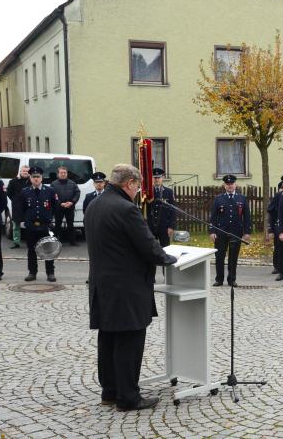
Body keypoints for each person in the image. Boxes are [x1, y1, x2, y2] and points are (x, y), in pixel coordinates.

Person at [86, 163, 178, 412]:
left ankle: (110, 391)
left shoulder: (95, 204)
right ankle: (128, 397)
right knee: (129, 340)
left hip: (102, 285)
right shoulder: (126, 209)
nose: (139, 191)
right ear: (129, 184)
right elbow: (149, 246)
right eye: (137, 186)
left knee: (108, 339)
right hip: (126, 288)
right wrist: (171, 258)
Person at [210, 175, 252, 288]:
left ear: (235, 185)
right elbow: (213, 217)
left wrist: (247, 232)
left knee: (233, 257)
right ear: (224, 185)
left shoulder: (242, 198)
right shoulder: (218, 198)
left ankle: (231, 279)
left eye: (231, 184)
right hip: (221, 232)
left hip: (236, 232)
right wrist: (212, 231)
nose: (229, 186)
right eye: (227, 184)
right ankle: (219, 279)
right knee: (219, 257)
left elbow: (247, 217)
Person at [19, 166, 58, 282]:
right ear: (30, 178)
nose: (36, 179)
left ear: (42, 178)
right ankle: (32, 272)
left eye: (38, 177)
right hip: (31, 225)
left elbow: (55, 206)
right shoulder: (25, 191)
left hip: (45, 225)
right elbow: (22, 208)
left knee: (48, 249)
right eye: (33, 177)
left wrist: (52, 219)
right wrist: (23, 221)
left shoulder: (50, 191)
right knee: (31, 250)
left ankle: (50, 272)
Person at [145, 168, 176, 248]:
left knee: (166, 249)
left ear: (162, 178)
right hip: (150, 226)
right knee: (150, 249)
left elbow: (173, 210)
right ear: (152, 178)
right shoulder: (147, 192)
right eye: (155, 178)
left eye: (159, 177)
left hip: (164, 226)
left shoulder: (168, 192)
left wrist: (171, 226)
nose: (157, 180)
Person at [51, 166, 80, 246]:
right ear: (58, 174)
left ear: (67, 174)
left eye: (64, 173)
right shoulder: (53, 184)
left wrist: (72, 202)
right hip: (58, 208)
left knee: (70, 224)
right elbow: (53, 196)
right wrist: (60, 203)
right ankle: (55, 240)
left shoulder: (72, 183)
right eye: (61, 173)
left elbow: (77, 193)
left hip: (70, 207)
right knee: (57, 224)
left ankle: (72, 241)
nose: (63, 174)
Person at [6, 165, 30, 249]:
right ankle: (16, 242)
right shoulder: (13, 181)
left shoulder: (32, 181)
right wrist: (15, 200)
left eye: (27, 171)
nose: (25, 173)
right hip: (17, 207)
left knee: (30, 225)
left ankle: (30, 242)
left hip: (29, 207)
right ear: (20, 172)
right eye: (24, 171)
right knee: (16, 225)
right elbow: (8, 192)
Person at [267, 180, 283, 276]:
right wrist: (271, 229)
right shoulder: (277, 197)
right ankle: (277, 266)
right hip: (277, 226)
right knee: (278, 247)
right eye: (282, 188)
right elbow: (271, 213)